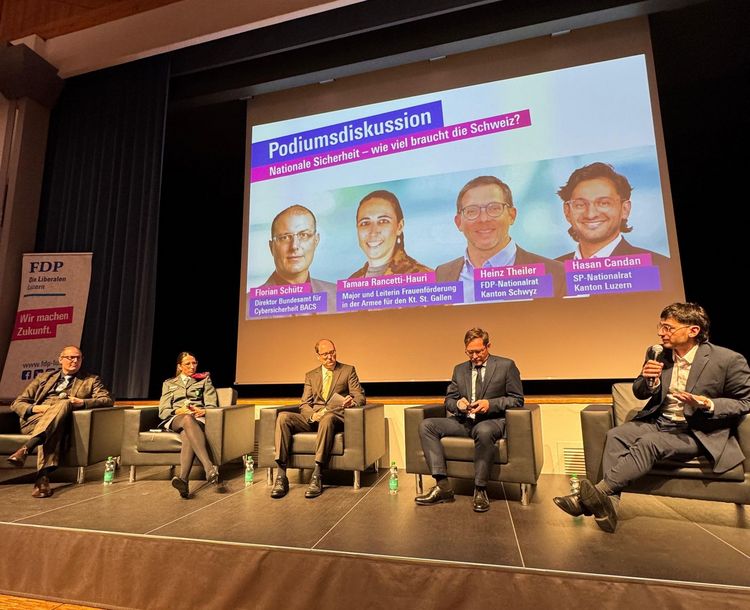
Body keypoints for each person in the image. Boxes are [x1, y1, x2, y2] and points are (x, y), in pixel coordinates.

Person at [553, 303, 750, 532]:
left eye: (668, 328)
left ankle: (589, 498)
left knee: (650, 443)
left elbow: (745, 402)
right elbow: (639, 390)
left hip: (696, 431)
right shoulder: (657, 353)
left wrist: (707, 403)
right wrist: (649, 382)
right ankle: (608, 509)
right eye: (661, 326)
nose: (661, 333)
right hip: (659, 423)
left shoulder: (727, 360)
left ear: (693, 330)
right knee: (616, 435)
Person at [415, 328, 524, 512]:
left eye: (478, 351)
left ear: (488, 346)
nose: (474, 356)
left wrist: (490, 404)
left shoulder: (506, 366)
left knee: (483, 430)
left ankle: (480, 489)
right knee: (427, 425)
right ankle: (443, 486)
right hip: (465, 421)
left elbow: (517, 399)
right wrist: (458, 404)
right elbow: (449, 400)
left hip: (491, 421)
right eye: (469, 352)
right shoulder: (459, 369)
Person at [435, 176, 565, 301]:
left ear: (512, 215)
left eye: (494, 208)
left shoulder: (556, 274)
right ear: (458, 222)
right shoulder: (441, 276)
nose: (483, 219)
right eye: (472, 211)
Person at [8, 346, 113, 498]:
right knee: (56, 421)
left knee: (64, 404)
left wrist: (82, 402)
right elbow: (17, 403)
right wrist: (37, 408)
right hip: (34, 421)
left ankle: (30, 455)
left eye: (78, 358)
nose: (75, 361)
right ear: (60, 360)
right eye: (71, 357)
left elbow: (107, 400)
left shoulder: (91, 380)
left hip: (63, 421)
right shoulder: (43, 378)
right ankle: (41, 475)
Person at [271, 339, 365, 499]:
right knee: (283, 417)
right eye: (325, 354)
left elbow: (360, 396)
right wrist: (313, 416)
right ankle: (281, 476)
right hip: (315, 418)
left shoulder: (348, 370)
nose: (330, 357)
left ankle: (317, 474)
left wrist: (352, 402)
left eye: (332, 352)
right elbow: (304, 404)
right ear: (318, 356)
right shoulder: (311, 375)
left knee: (327, 418)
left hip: (334, 418)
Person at [556, 162, 668, 263]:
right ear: (567, 211)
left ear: (625, 209)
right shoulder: (552, 271)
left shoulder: (659, 266)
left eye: (604, 203)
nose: (591, 214)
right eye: (580, 205)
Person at [159, 351, 221, 498]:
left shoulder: (204, 381)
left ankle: (183, 480)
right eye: (188, 364)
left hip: (198, 419)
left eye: (194, 363)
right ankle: (208, 467)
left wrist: (203, 411)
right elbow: (163, 411)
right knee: (186, 419)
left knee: (187, 434)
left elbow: (212, 406)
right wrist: (178, 410)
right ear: (180, 366)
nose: (192, 366)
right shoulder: (169, 383)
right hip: (176, 419)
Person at [263, 204, 336, 307]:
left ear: (316, 241)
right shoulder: (248, 306)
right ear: (272, 247)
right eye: (285, 237)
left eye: (303, 235)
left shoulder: (337, 297)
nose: (294, 246)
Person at [348, 190, 432, 278]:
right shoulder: (352, 281)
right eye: (365, 223)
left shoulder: (423, 276)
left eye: (383, 221)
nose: (373, 232)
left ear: (399, 227)